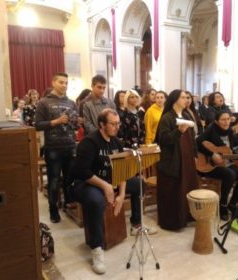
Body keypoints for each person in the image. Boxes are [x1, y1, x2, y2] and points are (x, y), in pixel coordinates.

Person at [71, 108, 155, 275]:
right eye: (113, 124)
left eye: (118, 123)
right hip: (86, 183)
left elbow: (121, 170)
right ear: (102, 125)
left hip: (110, 181)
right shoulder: (90, 142)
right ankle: (97, 248)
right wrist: (106, 186)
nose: (117, 127)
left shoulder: (116, 142)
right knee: (96, 201)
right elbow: (82, 172)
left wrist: (121, 193)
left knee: (138, 184)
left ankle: (136, 224)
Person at [35, 72, 78, 223]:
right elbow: (37, 125)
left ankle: (68, 204)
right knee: (54, 180)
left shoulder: (71, 103)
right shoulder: (44, 102)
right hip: (53, 148)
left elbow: (75, 125)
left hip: (70, 145)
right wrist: (56, 121)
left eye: (66, 83)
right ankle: (53, 209)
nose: (64, 85)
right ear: (53, 83)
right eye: (61, 82)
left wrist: (77, 122)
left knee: (69, 179)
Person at [156, 89, 199, 230]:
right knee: (174, 191)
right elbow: (163, 139)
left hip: (187, 160)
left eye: (187, 97)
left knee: (187, 188)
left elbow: (192, 139)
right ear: (175, 100)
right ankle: (173, 221)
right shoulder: (167, 118)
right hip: (172, 161)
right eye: (183, 97)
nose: (186, 99)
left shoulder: (186, 115)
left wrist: (195, 155)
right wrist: (178, 131)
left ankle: (187, 216)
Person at [196, 111, 238, 221]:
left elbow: (234, 147)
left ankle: (233, 204)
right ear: (216, 121)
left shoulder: (230, 131)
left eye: (228, 119)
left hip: (226, 162)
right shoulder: (211, 130)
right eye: (223, 120)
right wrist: (212, 154)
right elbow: (197, 142)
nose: (226, 122)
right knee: (230, 174)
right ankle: (223, 205)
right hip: (208, 165)